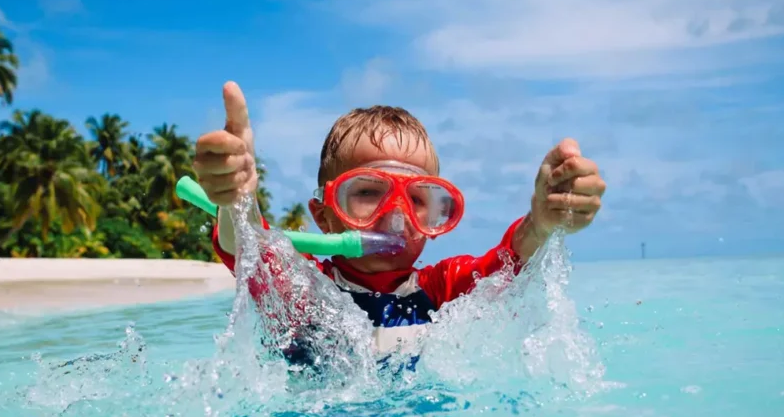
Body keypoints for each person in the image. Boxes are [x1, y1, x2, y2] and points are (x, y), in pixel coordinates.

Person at [193, 81, 606, 369]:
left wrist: (541, 220)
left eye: (418, 199)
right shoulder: (302, 292)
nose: (395, 216)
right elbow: (248, 246)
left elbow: (510, 261)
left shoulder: (442, 291)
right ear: (324, 214)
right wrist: (236, 201)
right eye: (369, 192)